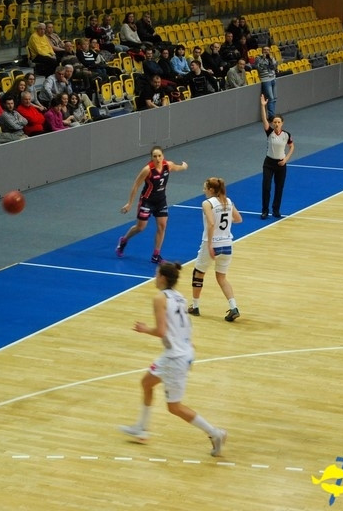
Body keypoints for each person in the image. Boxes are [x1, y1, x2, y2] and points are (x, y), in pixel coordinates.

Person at [118, 261, 227, 457]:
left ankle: (215, 433)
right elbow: (184, 325)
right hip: (179, 352)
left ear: (163, 278)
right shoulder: (180, 297)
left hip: (175, 357)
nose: (154, 276)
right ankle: (141, 428)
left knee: (174, 407)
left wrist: (144, 330)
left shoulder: (160, 298)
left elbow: (161, 331)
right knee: (146, 383)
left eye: (156, 273)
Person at [116, 146, 188, 264]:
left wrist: (183, 166)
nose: (157, 158)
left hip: (161, 201)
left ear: (163, 156)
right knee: (140, 227)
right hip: (147, 201)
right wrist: (130, 203)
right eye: (155, 156)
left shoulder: (167, 165)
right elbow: (136, 185)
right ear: (151, 158)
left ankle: (156, 255)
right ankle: (123, 240)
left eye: (159, 155)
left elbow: (177, 167)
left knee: (162, 226)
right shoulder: (147, 170)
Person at [187, 177, 242, 322]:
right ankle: (233, 307)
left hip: (212, 244)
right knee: (222, 278)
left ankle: (195, 306)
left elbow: (211, 224)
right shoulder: (228, 201)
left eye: (205, 188)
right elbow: (238, 219)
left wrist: (210, 244)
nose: (203, 190)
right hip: (227, 244)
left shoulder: (207, 203)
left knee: (198, 273)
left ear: (211, 190)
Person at [259, 93, 293, 219]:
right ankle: (265, 210)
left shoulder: (286, 135)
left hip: (281, 164)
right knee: (266, 187)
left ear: (282, 123)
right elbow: (264, 119)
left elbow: (292, 146)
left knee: (279, 188)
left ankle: (276, 210)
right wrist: (263, 106)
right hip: (269, 163)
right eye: (275, 122)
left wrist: (286, 159)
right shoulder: (269, 132)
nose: (276, 124)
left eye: (279, 122)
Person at [255, 45, 278, 116]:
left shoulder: (271, 57)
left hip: (273, 78)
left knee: (274, 97)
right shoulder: (258, 58)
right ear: (262, 51)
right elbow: (259, 68)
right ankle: (271, 116)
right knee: (270, 98)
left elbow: (275, 67)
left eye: (268, 50)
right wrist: (263, 59)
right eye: (265, 50)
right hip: (266, 80)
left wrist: (271, 60)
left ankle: (273, 114)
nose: (266, 51)